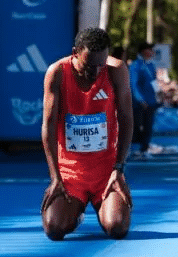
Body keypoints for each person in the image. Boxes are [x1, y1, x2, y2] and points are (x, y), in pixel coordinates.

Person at [41, 27, 133, 241]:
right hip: (70, 173)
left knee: (117, 228)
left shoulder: (116, 70)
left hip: (106, 171)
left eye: (101, 64)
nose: (96, 72)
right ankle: (76, 212)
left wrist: (118, 169)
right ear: (75, 53)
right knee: (54, 229)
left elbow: (127, 119)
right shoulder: (57, 72)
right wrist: (55, 178)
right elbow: (48, 126)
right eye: (89, 65)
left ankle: (105, 205)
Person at [130, 41, 160, 156]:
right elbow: (133, 84)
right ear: (143, 51)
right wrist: (140, 100)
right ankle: (133, 148)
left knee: (148, 126)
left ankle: (144, 148)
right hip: (139, 103)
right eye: (150, 49)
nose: (152, 52)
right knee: (137, 126)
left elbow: (154, 82)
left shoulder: (151, 65)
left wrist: (158, 94)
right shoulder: (136, 65)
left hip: (151, 101)